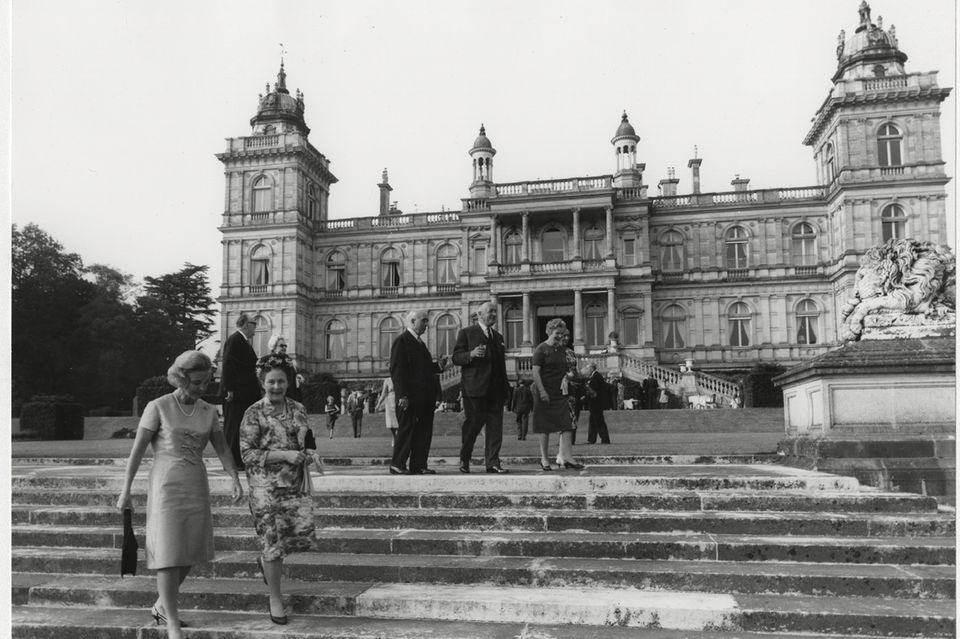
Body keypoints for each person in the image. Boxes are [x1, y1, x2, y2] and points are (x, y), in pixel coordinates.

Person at [116, 351, 243, 638]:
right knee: (169, 551)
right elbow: (137, 451)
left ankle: (162, 605)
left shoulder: (209, 411)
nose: (202, 388)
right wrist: (126, 491)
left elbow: (222, 448)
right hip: (166, 485)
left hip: (196, 483)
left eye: (206, 382)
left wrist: (234, 477)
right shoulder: (158, 406)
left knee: (191, 549)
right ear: (181, 378)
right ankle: (171, 620)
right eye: (197, 382)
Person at [240, 354, 318, 625]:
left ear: (288, 382)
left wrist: (308, 454)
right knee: (273, 543)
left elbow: (305, 439)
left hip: (294, 485)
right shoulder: (253, 413)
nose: (276, 386)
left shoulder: (297, 408)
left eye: (281, 381)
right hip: (266, 488)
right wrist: (284, 455)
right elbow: (247, 454)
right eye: (271, 382)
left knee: (286, 541)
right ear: (263, 382)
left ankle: (265, 564)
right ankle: (275, 597)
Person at [451, 301, 510, 474]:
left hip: (495, 390)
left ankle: (492, 463)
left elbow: (501, 366)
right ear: (479, 314)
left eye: (494, 311)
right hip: (474, 389)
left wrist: (506, 388)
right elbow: (456, 357)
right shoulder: (466, 333)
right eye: (490, 311)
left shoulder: (498, 337)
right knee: (472, 426)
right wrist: (471, 354)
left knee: (495, 427)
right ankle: (465, 459)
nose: (493, 314)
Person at [389, 310, 448, 475]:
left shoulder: (419, 343)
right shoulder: (402, 341)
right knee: (407, 429)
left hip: (423, 398)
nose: (427, 324)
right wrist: (402, 396)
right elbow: (398, 370)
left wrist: (439, 366)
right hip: (410, 397)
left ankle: (419, 464)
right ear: (413, 321)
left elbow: (424, 369)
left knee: (423, 431)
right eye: (424, 321)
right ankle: (398, 463)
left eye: (427, 321)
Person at [531, 318, 584, 472]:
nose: (560, 337)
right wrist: (542, 392)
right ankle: (545, 458)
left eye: (562, 334)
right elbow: (535, 373)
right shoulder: (541, 349)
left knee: (566, 424)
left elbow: (566, 373)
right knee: (544, 426)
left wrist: (574, 375)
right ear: (548, 332)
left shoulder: (562, 350)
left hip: (559, 392)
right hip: (543, 390)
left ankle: (567, 457)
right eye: (557, 334)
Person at [220, 313, 261, 470]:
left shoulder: (242, 341)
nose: (256, 327)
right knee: (233, 427)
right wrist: (229, 389)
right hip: (237, 394)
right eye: (253, 324)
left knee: (241, 427)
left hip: (243, 393)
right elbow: (228, 364)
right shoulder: (235, 340)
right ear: (245, 324)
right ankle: (232, 462)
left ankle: (238, 460)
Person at [266, 335, 303, 402]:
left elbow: (293, 374)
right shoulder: (269, 361)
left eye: (285, 346)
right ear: (273, 346)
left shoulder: (288, 359)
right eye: (281, 345)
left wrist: (297, 376)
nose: (284, 347)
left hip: (292, 396)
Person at [584, 363, 612, 444]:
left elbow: (593, 391)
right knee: (593, 421)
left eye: (588, 368)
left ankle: (605, 439)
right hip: (595, 403)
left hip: (596, 403)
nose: (587, 370)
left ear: (592, 368)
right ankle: (591, 439)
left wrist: (584, 398)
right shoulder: (596, 376)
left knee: (599, 421)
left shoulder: (596, 377)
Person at [376, 377, 398, 443]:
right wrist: (378, 404)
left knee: (398, 422)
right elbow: (383, 393)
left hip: (398, 401)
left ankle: (398, 437)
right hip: (389, 402)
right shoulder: (387, 380)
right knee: (391, 423)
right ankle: (394, 436)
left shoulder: (400, 378)